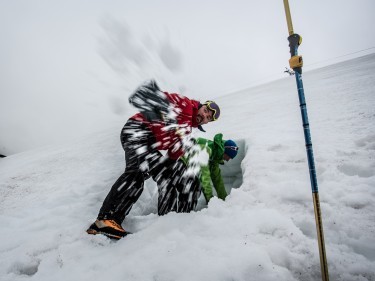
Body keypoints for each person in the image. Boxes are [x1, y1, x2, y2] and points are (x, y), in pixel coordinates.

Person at [86, 80, 221, 240]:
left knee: (176, 179)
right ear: (200, 106)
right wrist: (150, 96)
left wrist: (169, 168)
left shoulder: (186, 130)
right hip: (136, 130)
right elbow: (163, 99)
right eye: (205, 110)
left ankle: (172, 222)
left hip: (149, 143)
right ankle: (105, 221)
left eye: (208, 117)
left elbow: (173, 153)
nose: (204, 116)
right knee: (136, 173)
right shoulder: (185, 105)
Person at [158, 133, 239, 215]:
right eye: (228, 156)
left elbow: (218, 181)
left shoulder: (214, 159)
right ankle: (173, 216)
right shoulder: (206, 150)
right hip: (177, 162)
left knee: (194, 186)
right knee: (189, 186)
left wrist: (224, 200)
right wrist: (211, 202)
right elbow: (204, 177)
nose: (228, 160)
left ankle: (182, 215)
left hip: (183, 167)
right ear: (224, 150)